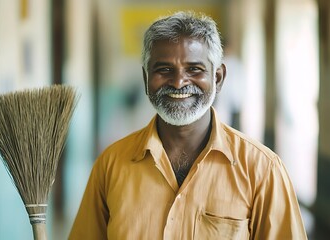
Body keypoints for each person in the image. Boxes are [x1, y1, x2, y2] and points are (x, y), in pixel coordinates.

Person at [69, 11, 307, 239]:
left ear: (218, 78)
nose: (179, 81)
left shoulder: (263, 170)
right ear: (145, 78)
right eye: (164, 69)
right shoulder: (110, 165)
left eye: (194, 69)